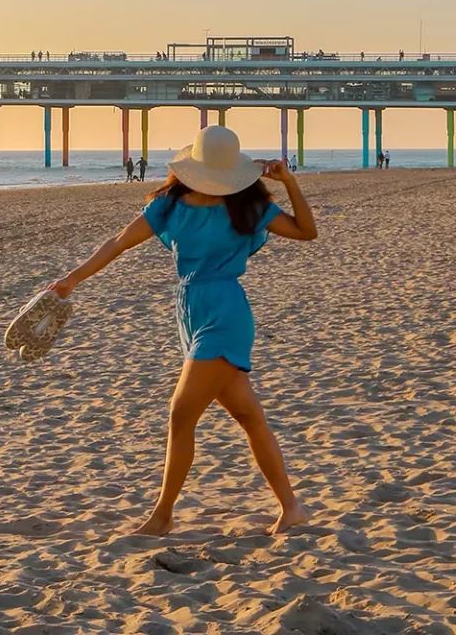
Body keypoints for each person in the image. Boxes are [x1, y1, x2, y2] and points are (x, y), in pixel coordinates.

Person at [49, 125, 318, 537]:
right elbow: (119, 241)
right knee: (249, 416)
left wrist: (290, 182)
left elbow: (306, 231)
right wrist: (73, 278)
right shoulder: (169, 205)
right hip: (189, 309)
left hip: (226, 312)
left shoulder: (247, 206)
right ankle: (292, 509)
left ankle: (162, 515)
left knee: (180, 414)